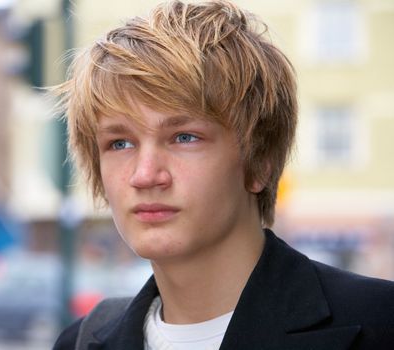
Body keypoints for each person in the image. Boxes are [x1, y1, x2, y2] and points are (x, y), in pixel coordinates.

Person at [52, 1, 394, 349]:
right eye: (120, 143)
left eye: (184, 137)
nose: (145, 175)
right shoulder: (77, 342)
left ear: (260, 160)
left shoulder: (381, 324)